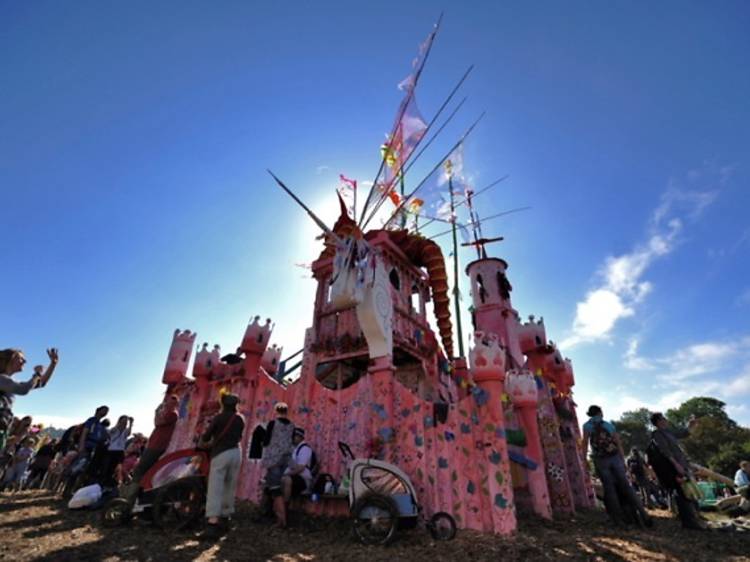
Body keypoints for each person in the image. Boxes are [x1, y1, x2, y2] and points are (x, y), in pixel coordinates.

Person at [582, 405, 652, 527]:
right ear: (600, 412)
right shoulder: (608, 425)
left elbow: (585, 443)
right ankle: (643, 514)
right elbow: (618, 443)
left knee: (609, 489)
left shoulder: (587, 426)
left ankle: (618, 519)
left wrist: (584, 459)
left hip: (600, 459)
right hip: (614, 457)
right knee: (627, 486)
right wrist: (622, 459)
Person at [199, 393, 245, 541]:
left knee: (215, 488)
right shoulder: (240, 418)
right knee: (229, 487)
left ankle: (212, 524)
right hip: (236, 453)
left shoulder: (219, 417)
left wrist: (205, 440)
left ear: (223, 404)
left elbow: (206, 436)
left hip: (221, 453)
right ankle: (226, 517)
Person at [648, 412, 704, 529]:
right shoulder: (657, 434)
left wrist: (691, 424)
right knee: (682, 491)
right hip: (673, 467)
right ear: (658, 422)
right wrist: (676, 465)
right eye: (663, 418)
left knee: (687, 490)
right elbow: (665, 451)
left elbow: (684, 433)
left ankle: (694, 517)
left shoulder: (668, 432)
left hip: (681, 464)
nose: (665, 420)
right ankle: (689, 522)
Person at [123, 395, 179, 502]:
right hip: (155, 444)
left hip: (157, 446)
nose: (167, 403)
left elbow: (157, 422)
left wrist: (156, 411)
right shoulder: (169, 413)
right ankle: (141, 497)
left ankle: (131, 499)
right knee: (146, 471)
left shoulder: (173, 414)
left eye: (170, 402)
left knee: (139, 470)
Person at [0, 348, 58, 451]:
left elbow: (41, 383)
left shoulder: (9, 383)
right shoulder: (1, 379)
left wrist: (53, 364)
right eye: (21, 358)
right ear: (10, 359)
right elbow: (23, 389)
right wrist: (37, 374)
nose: (25, 361)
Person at [261, 402, 295, 527]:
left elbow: (266, 441)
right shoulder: (292, 425)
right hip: (286, 459)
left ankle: (281, 519)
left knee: (275, 489)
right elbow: (291, 442)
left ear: (276, 411)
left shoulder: (272, 424)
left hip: (273, 459)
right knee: (277, 487)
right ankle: (278, 516)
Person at [277, 428, 315, 528]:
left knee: (287, 480)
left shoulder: (305, 449)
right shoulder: (295, 449)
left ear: (299, 437)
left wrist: (287, 474)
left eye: (294, 436)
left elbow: (301, 468)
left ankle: (285, 510)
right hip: (295, 478)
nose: (292, 438)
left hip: (303, 480)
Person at [98, 415, 133, 487]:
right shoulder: (114, 429)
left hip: (120, 452)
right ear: (119, 421)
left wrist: (131, 423)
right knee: (106, 467)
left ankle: (108, 483)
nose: (125, 422)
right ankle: (101, 482)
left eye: (126, 421)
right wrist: (119, 426)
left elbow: (129, 433)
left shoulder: (125, 431)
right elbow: (110, 433)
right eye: (123, 421)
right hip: (111, 451)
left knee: (114, 468)